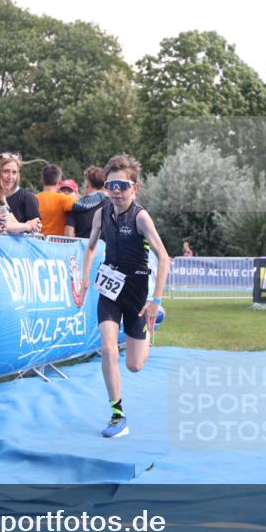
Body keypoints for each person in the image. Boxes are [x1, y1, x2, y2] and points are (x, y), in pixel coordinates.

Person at [82, 154, 171, 439]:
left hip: (136, 291)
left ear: (135, 187)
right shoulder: (101, 214)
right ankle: (117, 414)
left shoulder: (141, 217)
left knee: (134, 365)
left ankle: (151, 320)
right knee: (107, 349)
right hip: (110, 289)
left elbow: (165, 258)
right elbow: (91, 246)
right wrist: (85, 276)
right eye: (111, 186)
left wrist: (155, 301)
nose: (116, 191)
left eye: (122, 185)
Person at [0, 152, 40, 234]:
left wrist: (30, 224)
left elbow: (15, 225)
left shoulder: (2, 197)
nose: (10, 177)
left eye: (14, 172)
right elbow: (4, 225)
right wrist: (28, 226)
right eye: (6, 171)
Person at [66, 166, 111, 239]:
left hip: (81, 249)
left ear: (88, 184)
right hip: (105, 249)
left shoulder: (76, 205)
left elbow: (68, 234)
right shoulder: (112, 205)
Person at [37, 164, 78, 236]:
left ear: (43, 181)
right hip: (58, 245)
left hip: (38, 243)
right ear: (59, 182)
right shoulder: (64, 199)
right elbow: (82, 207)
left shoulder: (34, 199)